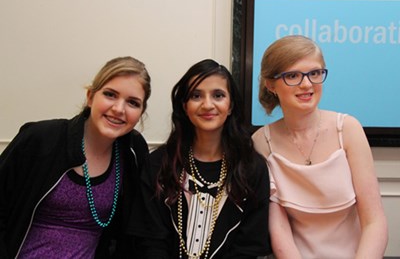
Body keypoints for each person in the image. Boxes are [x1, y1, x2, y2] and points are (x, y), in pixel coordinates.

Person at [0, 56, 151, 259]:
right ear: (90, 97)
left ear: (141, 113)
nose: (118, 109)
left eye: (133, 102)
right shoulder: (40, 139)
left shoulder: (132, 152)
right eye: (110, 95)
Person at [252, 35, 388, 259]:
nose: (307, 84)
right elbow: (279, 230)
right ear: (271, 85)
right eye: (292, 76)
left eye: (314, 73)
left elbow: (375, 222)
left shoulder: (348, 129)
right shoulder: (260, 142)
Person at [133, 59, 272, 258]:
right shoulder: (158, 164)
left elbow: (249, 247)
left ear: (230, 106)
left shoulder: (252, 168)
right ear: (184, 106)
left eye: (218, 95)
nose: (208, 105)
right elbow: (151, 242)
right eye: (196, 96)